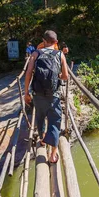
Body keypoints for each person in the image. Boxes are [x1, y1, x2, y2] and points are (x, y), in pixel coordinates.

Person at [24, 30, 69, 163]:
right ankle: (53, 155)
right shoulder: (60, 54)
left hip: (38, 94)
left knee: (40, 115)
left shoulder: (35, 53)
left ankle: (42, 139)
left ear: (43, 41)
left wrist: (26, 92)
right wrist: (58, 76)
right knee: (55, 122)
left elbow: (28, 74)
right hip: (53, 95)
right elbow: (65, 76)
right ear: (56, 42)